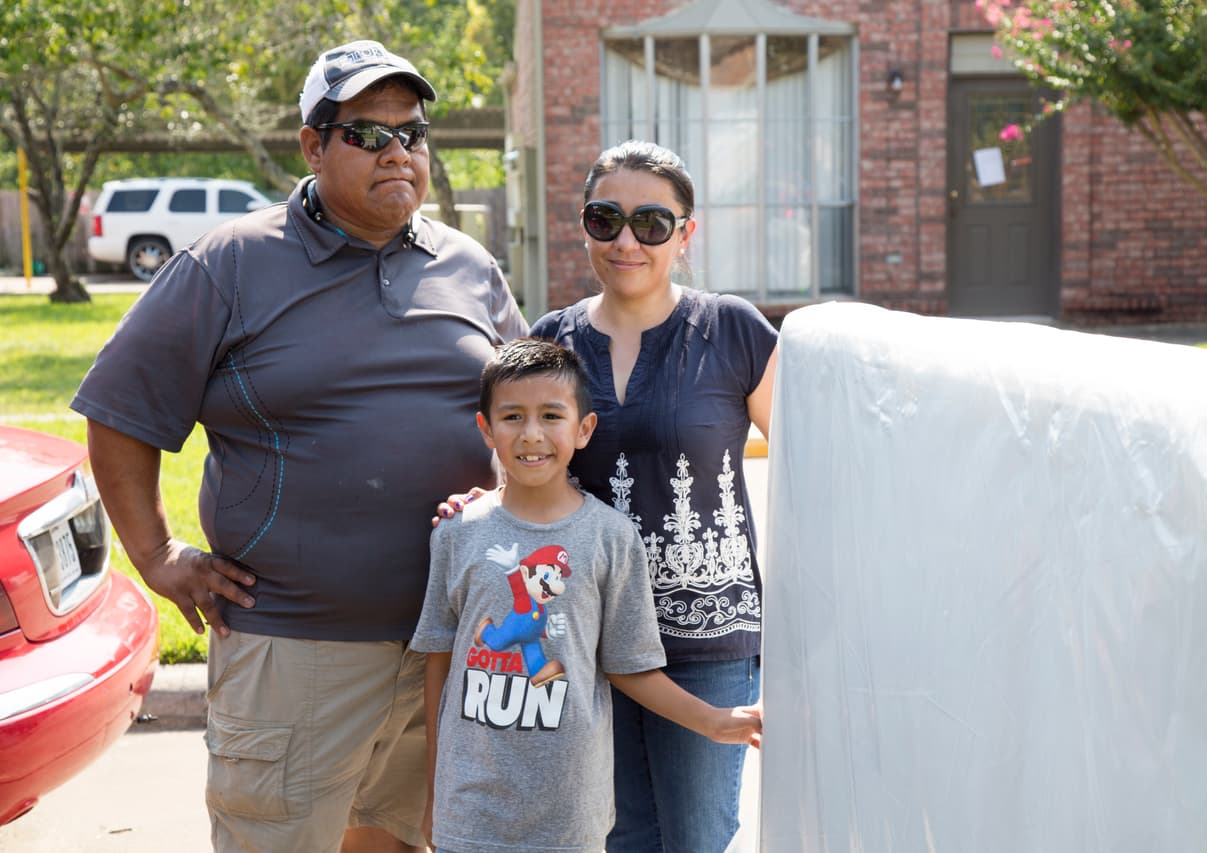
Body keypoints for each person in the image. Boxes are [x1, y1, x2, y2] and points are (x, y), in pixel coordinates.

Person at [70, 39, 527, 853]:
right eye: (368, 134)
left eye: (413, 133)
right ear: (312, 146)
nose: (399, 152)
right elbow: (121, 411)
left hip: (447, 639)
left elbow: (528, 413)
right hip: (296, 648)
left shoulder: (468, 266)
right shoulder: (231, 264)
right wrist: (157, 552)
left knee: (398, 839)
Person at [436, 139, 779, 851]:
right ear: (584, 224)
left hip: (706, 632)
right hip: (581, 630)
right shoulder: (551, 338)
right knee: (612, 835)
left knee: (695, 836)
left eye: (652, 223)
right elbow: (532, 462)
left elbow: (811, 466)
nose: (627, 240)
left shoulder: (734, 331)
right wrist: (481, 504)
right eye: (606, 218)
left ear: (687, 234)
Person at [412, 338, 762, 853]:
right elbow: (439, 663)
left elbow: (629, 665)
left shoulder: (611, 539)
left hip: (570, 817)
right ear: (486, 428)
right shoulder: (456, 533)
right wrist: (434, 794)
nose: (532, 434)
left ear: (583, 429)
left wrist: (712, 720)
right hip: (470, 813)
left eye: (551, 415)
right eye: (512, 417)